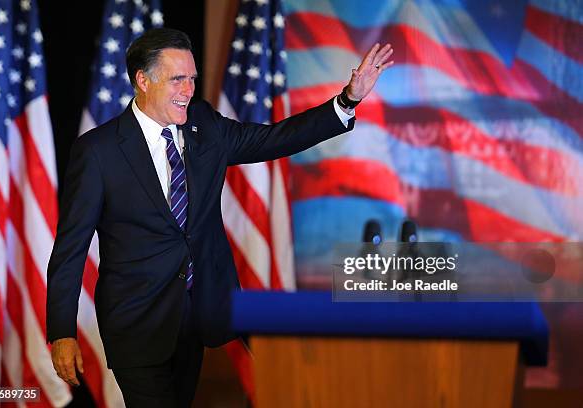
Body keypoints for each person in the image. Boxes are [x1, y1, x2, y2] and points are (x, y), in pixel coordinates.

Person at [46, 28, 393, 407]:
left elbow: (275, 138)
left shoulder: (205, 126)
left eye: (192, 78)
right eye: (177, 79)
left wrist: (347, 101)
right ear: (142, 80)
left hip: (196, 318)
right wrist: (62, 332)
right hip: (137, 323)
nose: (188, 89)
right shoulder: (98, 151)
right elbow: (71, 249)